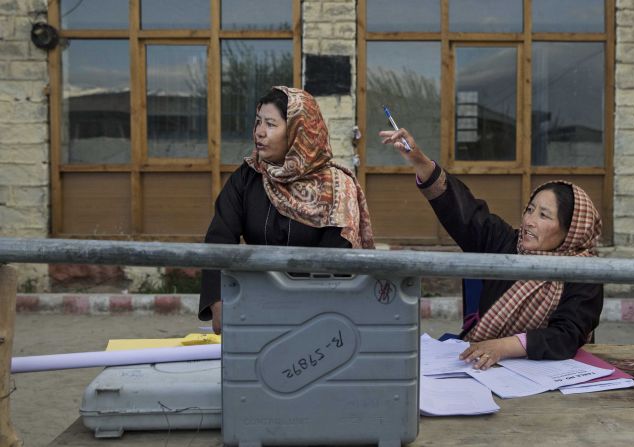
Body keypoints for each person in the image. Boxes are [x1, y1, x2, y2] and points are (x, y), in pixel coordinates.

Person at [380, 128, 602, 369]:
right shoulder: (507, 244)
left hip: (552, 378)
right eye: (530, 209)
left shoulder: (584, 273)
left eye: (544, 215)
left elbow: (567, 335)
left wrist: (502, 347)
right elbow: (464, 212)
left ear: (571, 230)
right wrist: (419, 160)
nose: (529, 221)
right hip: (484, 367)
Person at [200, 86, 374, 334]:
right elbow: (219, 238)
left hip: (323, 319)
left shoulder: (337, 189)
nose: (259, 132)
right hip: (256, 308)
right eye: (258, 122)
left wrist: (293, 319)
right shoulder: (249, 177)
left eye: (270, 124)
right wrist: (219, 303)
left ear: (297, 131)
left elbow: (335, 266)